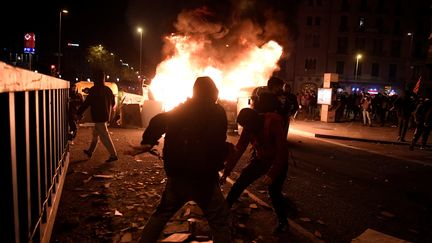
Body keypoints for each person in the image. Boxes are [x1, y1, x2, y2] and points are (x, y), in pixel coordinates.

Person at [126, 76, 232, 243]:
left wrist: (148, 141)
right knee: (219, 220)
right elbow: (216, 142)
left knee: (162, 214)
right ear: (213, 92)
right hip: (203, 178)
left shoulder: (182, 109)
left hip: (178, 174)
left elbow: (158, 120)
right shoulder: (216, 111)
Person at [220, 107, 290, 234]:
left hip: (277, 161)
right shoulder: (249, 127)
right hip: (260, 159)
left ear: (254, 122)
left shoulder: (272, 123)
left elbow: (282, 151)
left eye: (247, 126)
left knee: (274, 192)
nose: (247, 130)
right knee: (241, 182)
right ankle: (224, 210)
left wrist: (272, 173)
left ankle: (283, 223)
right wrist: (226, 172)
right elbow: (239, 149)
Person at [76, 68, 118, 163]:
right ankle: (90, 151)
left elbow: (86, 103)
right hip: (105, 116)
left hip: (98, 117)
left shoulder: (94, 90)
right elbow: (113, 103)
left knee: (104, 136)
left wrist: (78, 113)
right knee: (96, 134)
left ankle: (113, 155)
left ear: (95, 78)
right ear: (103, 78)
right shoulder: (108, 89)